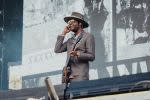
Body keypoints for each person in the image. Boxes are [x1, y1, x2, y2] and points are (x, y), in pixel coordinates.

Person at [54, 12, 95, 82]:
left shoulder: (88, 36)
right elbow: (57, 50)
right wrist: (63, 33)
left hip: (80, 77)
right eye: (70, 22)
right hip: (67, 78)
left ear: (80, 24)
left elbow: (91, 56)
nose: (70, 24)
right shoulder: (70, 40)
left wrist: (78, 54)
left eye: (73, 22)